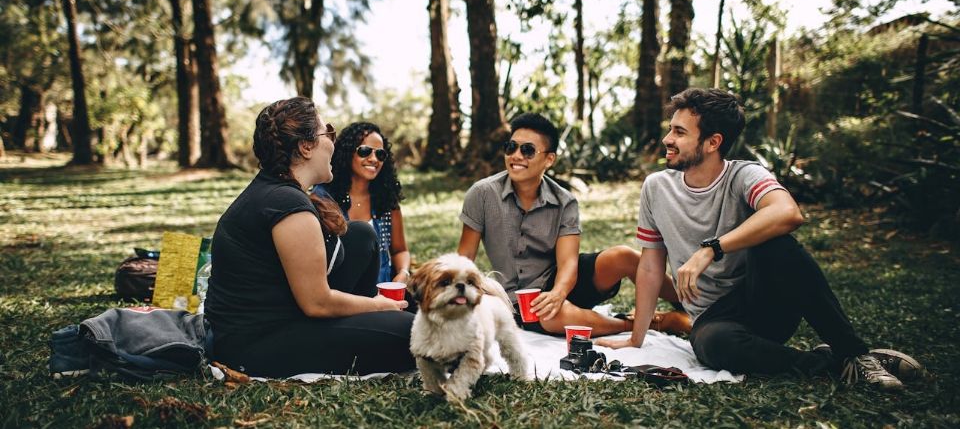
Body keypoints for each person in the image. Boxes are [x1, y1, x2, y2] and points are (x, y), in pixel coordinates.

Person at [597, 88, 921, 390]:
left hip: (765, 302)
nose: (667, 139)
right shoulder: (657, 187)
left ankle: (855, 352)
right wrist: (635, 339)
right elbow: (651, 268)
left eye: (680, 132)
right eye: (671, 129)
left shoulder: (744, 175)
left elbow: (788, 213)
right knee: (712, 345)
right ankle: (834, 363)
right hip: (714, 320)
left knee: (778, 245)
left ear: (713, 142)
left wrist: (711, 249)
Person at [205, 97, 415, 377]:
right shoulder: (287, 205)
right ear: (306, 147)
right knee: (415, 334)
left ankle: (371, 323)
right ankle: (376, 323)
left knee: (361, 235)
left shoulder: (279, 191)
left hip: (286, 315)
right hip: (256, 343)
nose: (333, 141)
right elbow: (317, 303)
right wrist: (377, 305)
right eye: (327, 132)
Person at [457, 112, 690, 337]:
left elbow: (568, 262)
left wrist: (558, 293)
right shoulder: (482, 194)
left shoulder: (564, 201)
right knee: (552, 316)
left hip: (562, 281)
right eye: (511, 147)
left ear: (549, 159)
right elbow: (464, 258)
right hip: (518, 300)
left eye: (527, 150)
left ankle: (691, 306)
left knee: (624, 256)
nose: (516, 156)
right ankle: (649, 323)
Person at [312, 122, 411, 286]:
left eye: (380, 154)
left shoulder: (386, 199)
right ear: (347, 153)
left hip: (384, 294)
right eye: (365, 151)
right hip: (341, 295)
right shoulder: (323, 198)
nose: (373, 159)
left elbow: (400, 250)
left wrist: (403, 273)